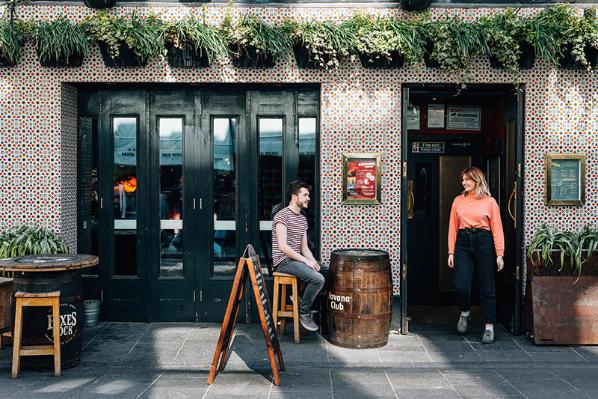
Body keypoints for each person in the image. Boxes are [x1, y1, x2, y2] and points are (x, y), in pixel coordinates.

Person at [447, 166, 504, 344]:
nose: (463, 182)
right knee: (461, 284)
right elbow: (452, 228)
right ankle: (464, 312)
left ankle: (489, 327)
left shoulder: (490, 202)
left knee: (487, 286)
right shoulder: (458, 200)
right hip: (463, 241)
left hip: (484, 241)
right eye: (463, 179)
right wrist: (451, 252)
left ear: (477, 180)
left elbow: (497, 229)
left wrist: (499, 254)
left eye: (467, 179)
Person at [272, 180, 328, 332]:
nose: (308, 198)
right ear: (294, 197)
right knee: (317, 279)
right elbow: (283, 247)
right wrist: (306, 261)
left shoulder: (302, 219)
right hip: (283, 262)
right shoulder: (282, 216)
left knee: (327, 271)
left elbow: (304, 248)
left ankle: (302, 300)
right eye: (305, 195)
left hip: (297, 260)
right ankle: (304, 312)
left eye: (308, 195)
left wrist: (311, 261)